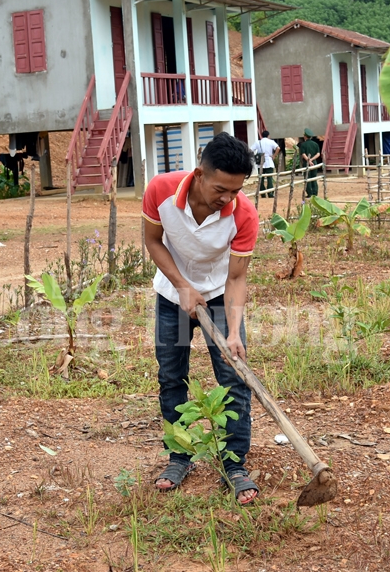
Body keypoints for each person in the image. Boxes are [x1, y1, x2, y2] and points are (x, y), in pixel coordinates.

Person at [142, 132, 260, 506]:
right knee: (171, 374)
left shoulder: (243, 214)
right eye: (221, 188)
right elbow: (153, 241)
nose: (228, 198)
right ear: (198, 174)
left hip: (219, 297)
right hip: (171, 295)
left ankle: (234, 464)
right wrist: (181, 286)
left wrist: (235, 330)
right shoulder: (159, 190)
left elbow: (237, 276)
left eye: (236, 190)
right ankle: (180, 457)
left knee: (233, 375)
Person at [250, 130, 280, 198]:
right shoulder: (271, 142)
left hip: (260, 163)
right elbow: (278, 148)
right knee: (269, 178)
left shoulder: (258, 142)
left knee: (261, 179)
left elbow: (251, 150)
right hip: (269, 162)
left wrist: (255, 157)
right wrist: (274, 155)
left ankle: (263, 194)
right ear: (268, 135)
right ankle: (270, 194)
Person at [298, 128, 321, 198]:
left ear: (305, 136)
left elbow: (303, 154)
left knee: (307, 178)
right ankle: (315, 193)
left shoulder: (303, 145)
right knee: (314, 178)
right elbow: (318, 154)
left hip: (306, 163)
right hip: (314, 163)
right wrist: (312, 160)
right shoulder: (315, 144)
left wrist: (308, 161)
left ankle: (309, 193)